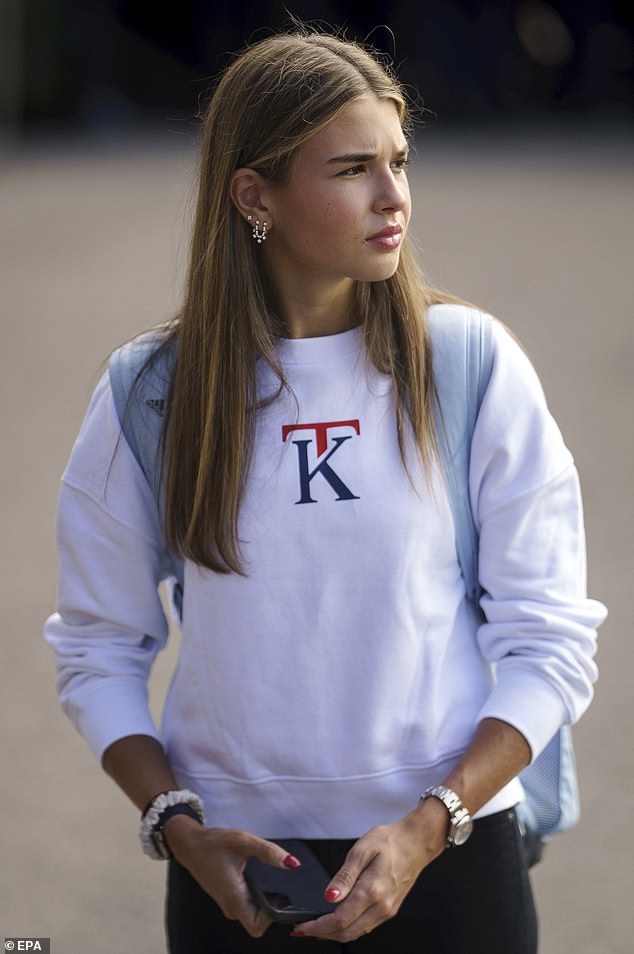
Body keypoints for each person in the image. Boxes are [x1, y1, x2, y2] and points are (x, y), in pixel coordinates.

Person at [44, 26, 606, 954]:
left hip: (454, 861)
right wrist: (179, 825)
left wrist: (431, 825)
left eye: (401, 161)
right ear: (253, 195)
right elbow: (96, 648)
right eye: (352, 169)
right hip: (241, 876)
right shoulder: (149, 392)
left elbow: (550, 636)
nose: (395, 198)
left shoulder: (470, 364)